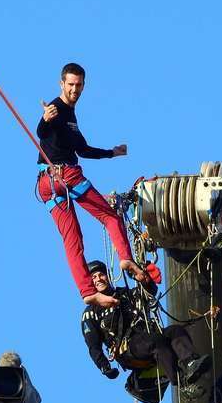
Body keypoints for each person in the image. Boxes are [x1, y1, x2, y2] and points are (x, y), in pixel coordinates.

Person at [36, 62, 145, 308]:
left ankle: (88, 292)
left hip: (47, 185)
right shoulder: (56, 108)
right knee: (111, 217)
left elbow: (83, 150)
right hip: (65, 177)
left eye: (79, 85)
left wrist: (112, 153)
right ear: (61, 84)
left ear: (84, 85)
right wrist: (44, 119)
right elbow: (42, 131)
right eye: (70, 84)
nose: (74, 90)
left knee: (72, 240)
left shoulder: (71, 117)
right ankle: (126, 259)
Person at [81, 260, 210, 390]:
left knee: (175, 331)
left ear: (107, 276)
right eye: (93, 277)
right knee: (156, 341)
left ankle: (191, 362)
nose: (98, 279)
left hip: (146, 336)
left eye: (101, 275)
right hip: (127, 349)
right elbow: (93, 345)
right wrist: (104, 366)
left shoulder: (125, 295)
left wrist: (143, 277)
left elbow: (149, 292)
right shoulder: (91, 313)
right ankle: (182, 382)